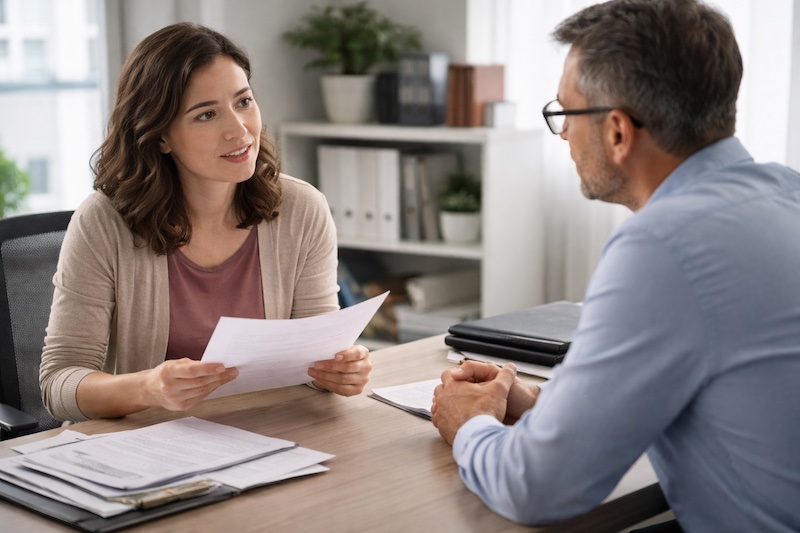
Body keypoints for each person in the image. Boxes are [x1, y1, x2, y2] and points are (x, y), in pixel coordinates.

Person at [430, 0, 800, 531]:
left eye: (565, 113)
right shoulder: (787, 192)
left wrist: (468, 425)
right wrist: (544, 407)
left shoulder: (663, 247)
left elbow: (537, 488)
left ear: (619, 133)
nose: (562, 136)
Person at [40, 22, 372, 423]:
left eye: (244, 102)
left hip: (271, 434)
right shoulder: (103, 223)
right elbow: (58, 383)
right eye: (206, 115)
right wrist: (147, 387)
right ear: (160, 136)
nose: (238, 129)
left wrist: (335, 372)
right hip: (147, 449)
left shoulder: (301, 209)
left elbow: (313, 359)